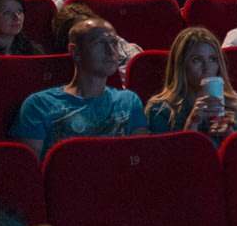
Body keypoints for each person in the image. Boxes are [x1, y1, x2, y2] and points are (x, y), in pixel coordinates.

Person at [13, 17, 146, 155]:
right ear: (75, 51)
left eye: (114, 43)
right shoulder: (39, 105)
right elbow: (30, 170)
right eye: (100, 43)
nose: (111, 51)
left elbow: (139, 161)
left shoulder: (129, 101)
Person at [143, 27, 237, 137]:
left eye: (213, 59)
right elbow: (167, 154)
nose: (207, 67)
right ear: (181, 66)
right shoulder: (161, 110)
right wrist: (192, 124)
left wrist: (230, 136)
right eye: (196, 60)